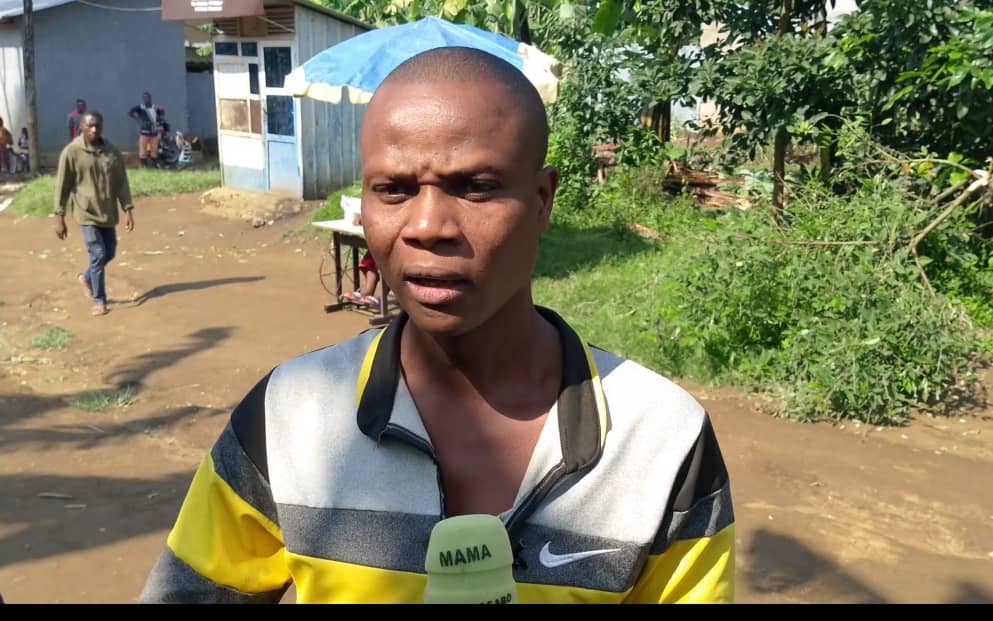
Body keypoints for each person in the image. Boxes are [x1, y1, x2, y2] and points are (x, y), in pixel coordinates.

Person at [140, 47, 735, 604]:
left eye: (476, 188)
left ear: (542, 199)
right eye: (393, 190)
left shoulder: (662, 440)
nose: (427, 226)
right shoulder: (288, 416)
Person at [53, 112, 135, 317]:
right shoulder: (71, 152)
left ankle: (87, 278)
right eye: (89, 126)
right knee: (97, 254)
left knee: (109, 252)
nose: (94, 130)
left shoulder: (111, 152)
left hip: (106, 210)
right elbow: (62, 186)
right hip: (85, 212)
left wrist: (127, 208)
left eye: (97, 126)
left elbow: (121, 182)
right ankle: (99, 300)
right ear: (81, 127)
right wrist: (59, 216)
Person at [129, 92, 164, 168]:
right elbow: (131, 112)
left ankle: (154, 165)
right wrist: (137, 117)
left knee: (154, 149)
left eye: (148, 98)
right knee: (142, 149)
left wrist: (160, 125)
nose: (147, 100)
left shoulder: (155, 108)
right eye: (145, 98)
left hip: (154, 133)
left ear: (150, 99)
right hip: (144, 133)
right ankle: (144, 165)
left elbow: (161, 115)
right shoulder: (141, 107)